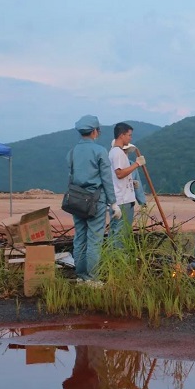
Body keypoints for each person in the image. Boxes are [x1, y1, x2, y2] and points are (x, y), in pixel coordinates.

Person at [69, 115, 121, 285]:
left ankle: (80, 276)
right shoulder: (100, 151)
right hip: (95, 200)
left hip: (76, 200)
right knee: (94, 240)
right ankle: (92, 278)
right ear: (94, 131)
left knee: (80, 238)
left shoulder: (72, 151)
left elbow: (71, 176)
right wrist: (113, 203)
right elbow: (106, 178)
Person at [108, 123, 146, 241]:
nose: (130, 138)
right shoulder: (117, 153)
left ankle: (114, 258)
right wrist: (137, 164)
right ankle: (117, 258)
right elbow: (119, 174)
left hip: (124, 199)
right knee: (120, 235)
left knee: (118, 233)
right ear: (121, 135)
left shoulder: (117, 153)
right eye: (129, 135)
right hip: (122, 201)